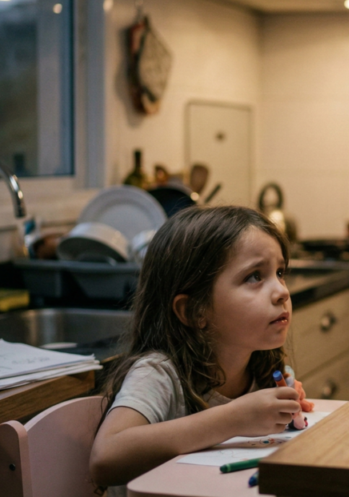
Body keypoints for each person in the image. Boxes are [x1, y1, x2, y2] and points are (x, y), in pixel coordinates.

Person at [90, 206, 314, 495]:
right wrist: (235, 418)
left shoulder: (262, 368)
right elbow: (105, 459)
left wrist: (284, 410)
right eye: (254, 277)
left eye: (280, 272)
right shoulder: (158, 373)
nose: (282, 291)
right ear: (194, 311)